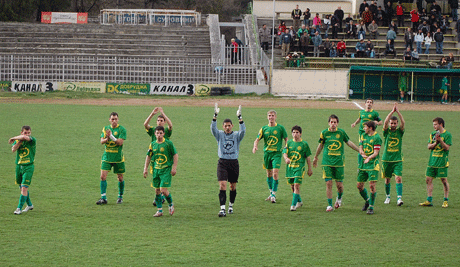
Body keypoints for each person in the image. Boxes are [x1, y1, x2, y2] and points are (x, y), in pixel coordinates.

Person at [313, 115, 359, 212]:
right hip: (327, 162)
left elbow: (349, 142)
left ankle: (339, 199)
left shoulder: (341, 132)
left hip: (339, 163)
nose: (333, 124)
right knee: (329, 183)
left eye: (335, 122)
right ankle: (329, 205)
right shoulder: (324, 133)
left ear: (337, 123)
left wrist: (359, 150)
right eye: (331, 122)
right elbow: (320, 145)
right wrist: (316, 157)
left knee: (339, 185)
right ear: (329, 123)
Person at [211, 104, 245, 217]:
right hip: (222, 163)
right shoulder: (220, 135)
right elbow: (212, 129)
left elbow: (243, 131)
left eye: (229, 125)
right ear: (223, 126)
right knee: (222, 185)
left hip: (233, 163)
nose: (227, 127)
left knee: (232, 186)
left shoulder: (236, 135)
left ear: (232, 126)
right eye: (225, 126)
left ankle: (230, 205)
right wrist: (215, 115)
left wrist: (240, 118)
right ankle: (222, 209)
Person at [253, 110, 288, 203]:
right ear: (267, 117)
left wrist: (286, 148)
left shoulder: (280, 128)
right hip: (267, 154)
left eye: (272, 115)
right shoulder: (264, 128)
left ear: (275, 117)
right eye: (269, 115)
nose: (271, 117)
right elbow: (257, 139)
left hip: (276, 153)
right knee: (268, 174)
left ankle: (273, 194)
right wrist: (255, 146)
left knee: (275, 173)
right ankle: (271, 192)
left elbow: (286, 139)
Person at [143, 126, 178, 217]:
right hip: (156, 170)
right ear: (155, 134)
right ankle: (159, 210)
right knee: (157, 191)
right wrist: (145, 168)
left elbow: (175, 154)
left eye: (161, 133)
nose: (159, 135)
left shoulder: (168, 144)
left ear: (164, 134)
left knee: (163, 190)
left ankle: (171, 204)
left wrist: (174, 167)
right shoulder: (152, 144)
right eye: (157, 133)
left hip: (166, 170)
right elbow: (149, 156)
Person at [419, 117, 452, 208]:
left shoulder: (447, 134)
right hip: (432, 162)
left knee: (444, 180)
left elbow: (447, 148)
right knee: (428, 180)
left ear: (440, 124)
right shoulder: (433, 134)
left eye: (435, 124)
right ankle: (429, 200)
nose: (434, 126)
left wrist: (440, 141)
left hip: (442, 162)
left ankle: (445, 200)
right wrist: (436, 143)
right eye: (433, 124)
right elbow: (429, 146)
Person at [144, 107, 173, 206]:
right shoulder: (153, 130)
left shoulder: (165, 131)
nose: (159, 122)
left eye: (161, 121)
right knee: (156, 181)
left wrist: (163, 113)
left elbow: (170, 125)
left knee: (161, 180)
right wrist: (152, 114)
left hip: (164, 160)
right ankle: (160, 197)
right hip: (154, 159)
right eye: (158, 120)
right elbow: (145, 124)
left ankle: (161, 197)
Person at [96, 112, 127, 205]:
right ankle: (103, 198)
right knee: (102, 176)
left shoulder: (122, 129)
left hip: (118, 158)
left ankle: (120, 197)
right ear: (109, 120)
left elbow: (120, 142)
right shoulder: (105, 128)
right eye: (112, 119)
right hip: (107, 157)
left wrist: (111, 136)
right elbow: (102, 141)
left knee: (120, 178)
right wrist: (107, 139)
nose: (114, 121)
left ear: (118, 120)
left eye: (116, 119)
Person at [283, 125, 313, 211]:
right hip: (290, 168)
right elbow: (285, 152)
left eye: (297, 132)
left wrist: (309, 169)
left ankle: (293, 205)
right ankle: (299, 201)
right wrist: (286, 158)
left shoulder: (304, 144)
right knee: (292, 187)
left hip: (299, 168)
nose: (295, 134)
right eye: (293, 132)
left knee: (296, 185)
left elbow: (308, 157)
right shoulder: (288, 143)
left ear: (300, 134)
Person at [9, 126, 36, 215]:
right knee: (21, 188)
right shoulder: (19, 141)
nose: (27, 135)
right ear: (21, 133)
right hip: (19, 166)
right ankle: (30, 205)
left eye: (29, 133)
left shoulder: (32, 140)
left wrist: (13, 138)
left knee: (24, 188)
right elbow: (13, 149)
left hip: (28, 167)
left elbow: (25, 138)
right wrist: (19, 141)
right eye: (25, 133)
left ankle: (18, 209)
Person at [382, 103, 405, 206]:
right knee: (387, 179)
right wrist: (391, 112)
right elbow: (385, 123)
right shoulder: (386, 132)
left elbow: (403, 123)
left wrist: (398, 112)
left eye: (395, 123)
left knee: (398, 178)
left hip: (397, 160)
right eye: (392, 123)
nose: (393, 125)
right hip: (386, 159)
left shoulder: (400, 132)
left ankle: (399, 198)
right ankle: (388, 196)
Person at [357, 121, 382, 215]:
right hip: (363, 164)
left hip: (372, 165)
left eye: (365, 127)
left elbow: (376, 153)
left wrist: (368, 158)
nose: (364, 128)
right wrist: (361, 152)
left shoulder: (377, 138)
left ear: (371, 128)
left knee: (372, 186)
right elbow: (360, 147)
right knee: (359, 186)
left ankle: (371, 207)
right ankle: (367, 200)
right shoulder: (363, 135)